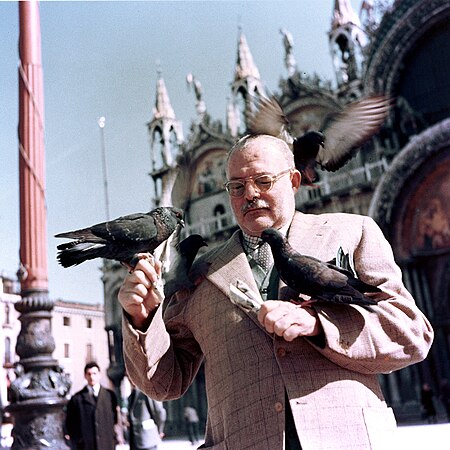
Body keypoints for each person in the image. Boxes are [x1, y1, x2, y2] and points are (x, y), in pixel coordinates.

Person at [119, 134, 434, 449]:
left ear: (294, 180)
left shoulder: (352, 232)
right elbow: (164, 382)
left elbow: (411, 333)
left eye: (263, 181)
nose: (250, 194)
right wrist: (143, 320)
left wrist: (318, 325)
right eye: (237, 187)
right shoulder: (200, 274)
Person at [65, 361, 118, 450]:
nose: (92, 377)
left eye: (94, 373)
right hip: (85, 445)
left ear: (99, 375)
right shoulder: (76, 399)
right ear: (85, 376)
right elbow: (70, 423)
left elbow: (115, 419)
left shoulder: (110, 396)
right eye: (89, 374)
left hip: (106, 444)